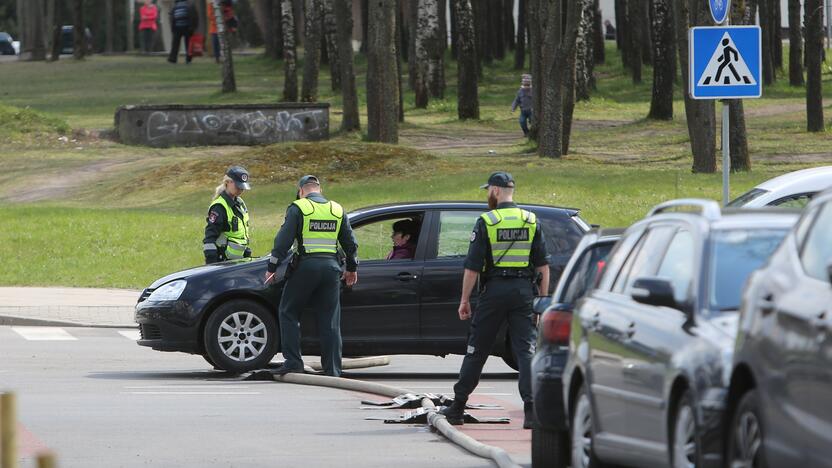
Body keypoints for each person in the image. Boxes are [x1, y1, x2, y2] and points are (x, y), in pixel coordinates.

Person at [439, 172, 550, 429]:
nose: (487, 194)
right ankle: (531, 412)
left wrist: (464, 299)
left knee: (477, 349)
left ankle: (457, 406)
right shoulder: (530, 220)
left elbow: (472, 268)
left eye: (488, 190)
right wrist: (542, 301)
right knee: (526, 350)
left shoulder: (487, 221)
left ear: (496, 191)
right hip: (524, 291)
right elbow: (543, 267)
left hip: (495, 292)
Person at [265, 175, 359, 377]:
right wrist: (351, 268)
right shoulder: (336, 209)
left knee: (288, 311)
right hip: (332, 269)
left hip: (306, 268)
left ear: (301, 191)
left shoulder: (299, 208)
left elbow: (283, 241)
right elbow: (350, 243)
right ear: (320, 190)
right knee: (330, 319)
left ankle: (293, 362)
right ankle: (333, 369)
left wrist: (272, 266)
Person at [203, 166, 252, 264]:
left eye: (242, 187)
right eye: (237, 186)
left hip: (238, 261)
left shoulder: (239, 204)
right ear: (227, 182)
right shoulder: (219, 207)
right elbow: (210, 238)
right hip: (223, 263)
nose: (240, 189)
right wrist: (211, 264)